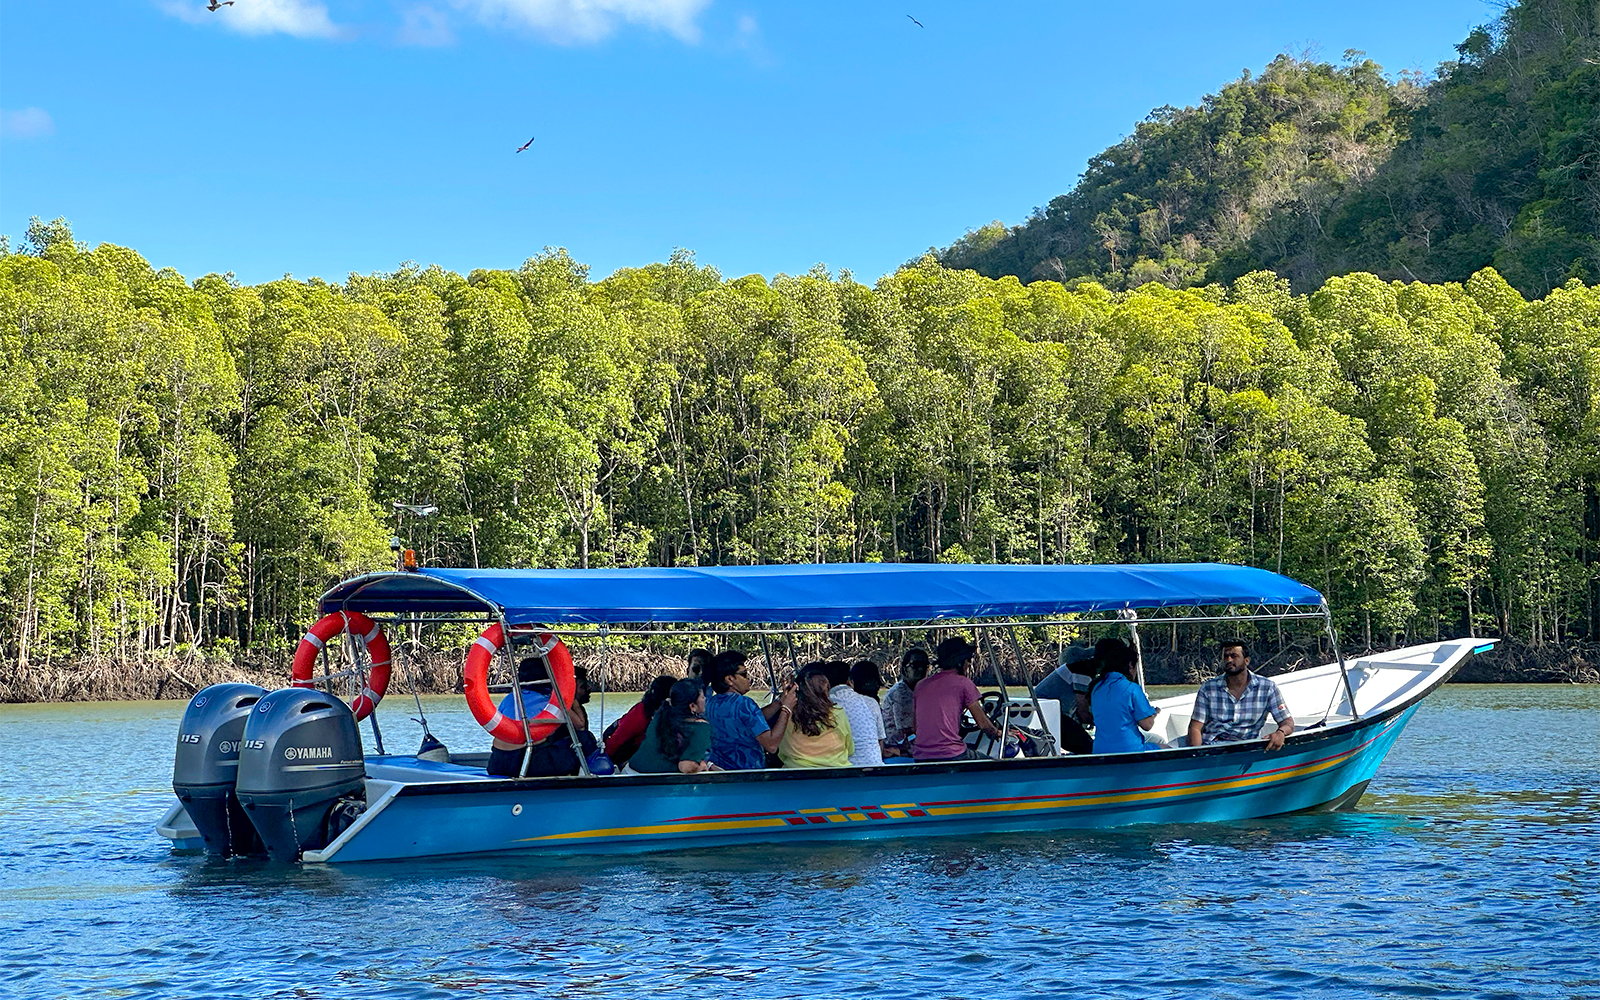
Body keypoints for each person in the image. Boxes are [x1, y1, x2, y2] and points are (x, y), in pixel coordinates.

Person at [486, 656, 598, 777]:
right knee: (585, 738)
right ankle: (585, 777)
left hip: (497, 761)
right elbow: (580, 726)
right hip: (526, 762)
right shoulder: (549, 700)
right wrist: (569, 695)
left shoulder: (510, 698)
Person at [1187, 640, 1295, 750]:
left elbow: (1287, 722)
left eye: (1234, 656)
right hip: (1211, 747)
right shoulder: (1208, 688)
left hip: (1246, 748)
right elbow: (1195, 728)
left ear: (1246, 661)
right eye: (1226, 656)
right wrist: (1197, 755)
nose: (1229, 660)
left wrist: (1281, 733)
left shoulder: (1267, 688)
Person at [912, 637, 1003, 762]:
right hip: (951, 755)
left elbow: (915, 727)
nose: (968, 665)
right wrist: (997, 733)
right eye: (968, 661)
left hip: (920, 756)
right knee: (994, 765)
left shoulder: (920, 685)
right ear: (961, 662)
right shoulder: (964, 684)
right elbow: (983, 725)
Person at [704, 650, 795, 770]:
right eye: (744, 675)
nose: (749, 679)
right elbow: (771, 745)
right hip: (747, 775)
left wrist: (780, 701)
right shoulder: (745, 704)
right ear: (729, 679)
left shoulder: (709, 703)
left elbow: (753, 719)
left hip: (719, 773)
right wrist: (786, 709)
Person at [628, 678, 718, 774]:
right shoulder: (701, 727)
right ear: (692, 706)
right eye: (702, 697)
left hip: (629, 772)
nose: (705, 699)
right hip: (650, 782)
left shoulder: (661, 716)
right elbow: (687, 766)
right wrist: (703, 765)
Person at [1088, 638, 1159, 754]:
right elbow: (1147, 725)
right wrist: (1153, 714)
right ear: (1130, 665)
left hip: (1100, 750)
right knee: (1166, 747)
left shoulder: (1096, 687)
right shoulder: (1132, 689)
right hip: (1129, 750)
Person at [779, 663, 854, 768]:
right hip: (836, 773)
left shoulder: (788, 714)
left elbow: (782, 753)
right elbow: (850, 749)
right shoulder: (838, 713)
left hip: (796, 772)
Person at [1030, 644, 1096, 755]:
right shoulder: (1080, 671)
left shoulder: (1068, 672)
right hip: (1047, 718)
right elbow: (1083, 714)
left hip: (1048, 716)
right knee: (1089, 749)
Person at [603, 674, 675, 767]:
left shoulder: (675, 713)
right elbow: (616, 740)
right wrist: (606, 761)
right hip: (622, 753)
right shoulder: (641, 713)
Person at [827, 660, 887, 766]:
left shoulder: (826, 704)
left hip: (848, 769)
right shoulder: (871, 702)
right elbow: (880, 742)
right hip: (875, 766)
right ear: (850, 682)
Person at [881, 647, 928, 757]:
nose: (920, 669)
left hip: (912, 742)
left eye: (924, 666)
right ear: (904, 669)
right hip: (898, 745)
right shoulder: (901, 693)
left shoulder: (922, 690)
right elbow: (908, 730)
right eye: (915, 666)